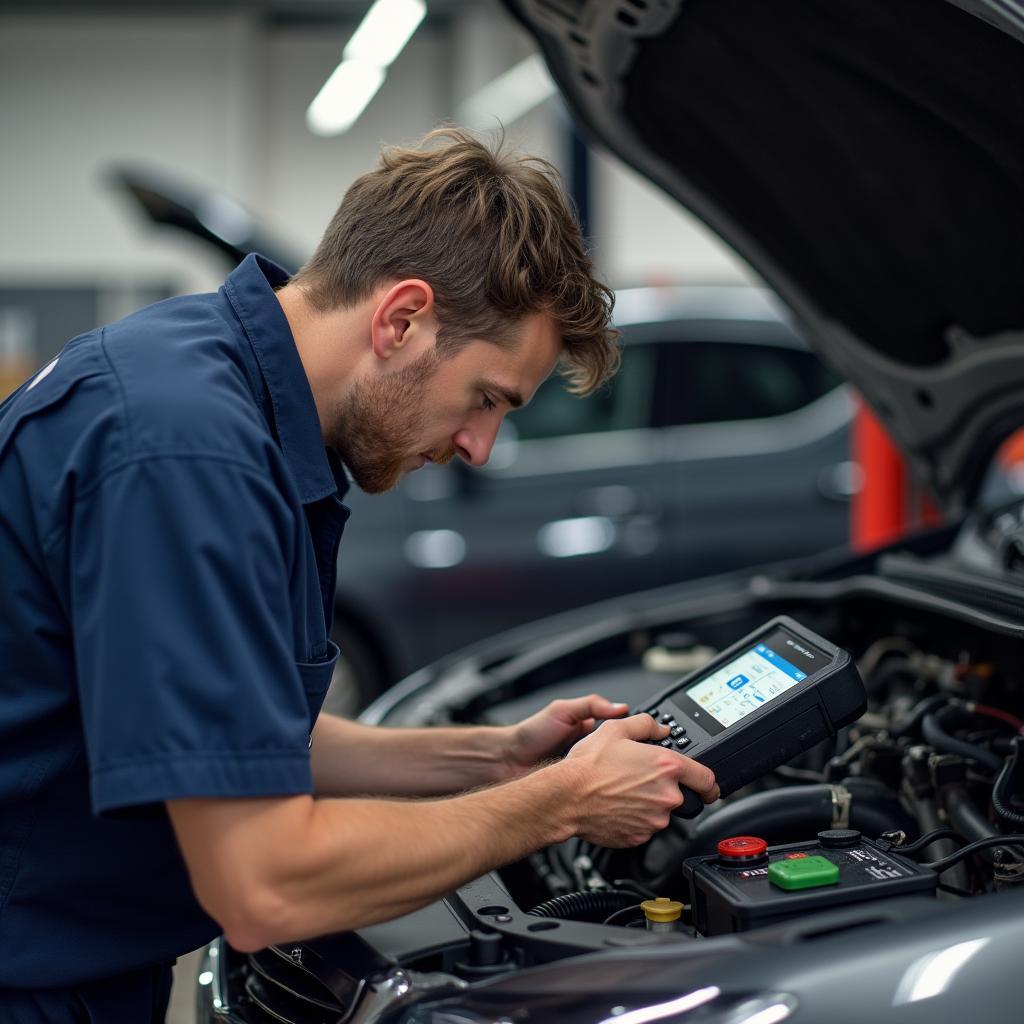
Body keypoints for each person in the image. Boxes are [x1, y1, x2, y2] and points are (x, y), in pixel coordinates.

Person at [0, 129, 718, 1022]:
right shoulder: (188, 454)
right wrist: (557, 803)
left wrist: (494, 759)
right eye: (486, 397)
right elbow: (261, 884)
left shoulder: (201, 377)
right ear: (402, 318)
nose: (478, 446)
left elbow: (235, 736)